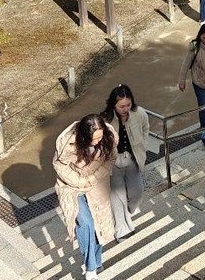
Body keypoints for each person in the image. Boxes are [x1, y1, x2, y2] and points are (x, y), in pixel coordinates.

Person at [53, 114, 117, 280]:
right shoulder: (68, 142)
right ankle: (90, 267)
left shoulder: (109, 137)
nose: (96, 141)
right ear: (83, 136)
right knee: (85, 223)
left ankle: (96, 261)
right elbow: (60, 166)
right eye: (93, 138)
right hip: (71, 185)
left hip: (97, 183)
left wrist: (93, 178)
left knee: (98, 224)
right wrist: (81, 181)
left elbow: (111, 160)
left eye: (99, 137)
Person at [102, 85, 149, 240]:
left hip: (132, 158)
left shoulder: (139, 113)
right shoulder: (105, 120)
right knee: (117, 196)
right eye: (121, 106)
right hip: (113, 162)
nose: (125, 109)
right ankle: (121, 228)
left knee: (137, 193)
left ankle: (127, 214)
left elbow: (145, 128)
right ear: (113, 105)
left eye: (128, 105)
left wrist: (143, 145)